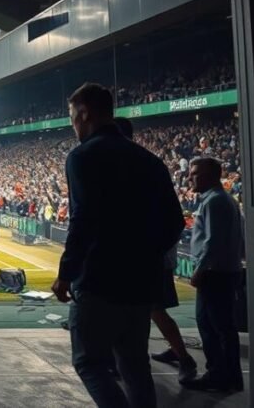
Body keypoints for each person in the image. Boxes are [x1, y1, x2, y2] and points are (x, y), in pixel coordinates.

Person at [51, 83, 184, 408]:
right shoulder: (150, 160)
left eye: (73, 118)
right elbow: (175, 222)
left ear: (85, 113)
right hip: (141, 284)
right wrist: (146, 256)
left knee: (89, 362)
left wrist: (67, 273)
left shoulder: (83, 156)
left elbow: (82, 220)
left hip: (98, 281)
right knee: (136, 365)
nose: (73, 126)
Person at [114, 117, 198, 383]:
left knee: (152, 311)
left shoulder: (142, 166)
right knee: (141, 311)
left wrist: (151, 253)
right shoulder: (145, 165)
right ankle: (134, 363)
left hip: (149, 261)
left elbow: (172, 221)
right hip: (142, 259)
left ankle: (183, 358)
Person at [182, 157, 245, 392]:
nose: (189, 178)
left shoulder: (214, 202)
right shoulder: (220, 200)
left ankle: (219, 374)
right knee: (219, 326)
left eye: (195, 173)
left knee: (214, 326)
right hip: (223, 271)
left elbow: (213, 241)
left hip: (215, 273)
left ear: (210, 176)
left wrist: (199, 269)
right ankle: (228, 376)